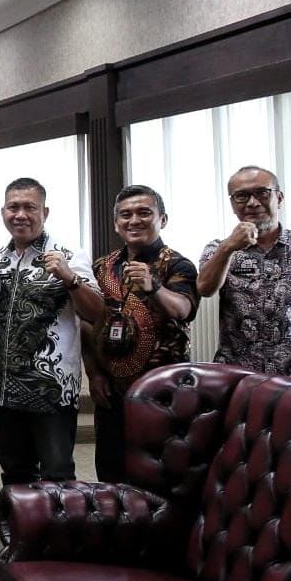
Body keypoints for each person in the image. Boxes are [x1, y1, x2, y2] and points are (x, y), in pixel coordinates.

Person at [0, 178, 102, 484]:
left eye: (30, 207)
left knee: (57, 475)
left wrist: (69, 279)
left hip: (52, 388)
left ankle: (58, 519)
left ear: (45, 212)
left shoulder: (68, 255)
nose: (20, 214)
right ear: (3, 212)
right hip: (5, 388)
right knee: (15, 474)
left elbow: (96, 313)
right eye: (13, 207)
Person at [83, 186, 199, 483]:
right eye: (126, 215)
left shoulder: (178, 264)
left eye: (144, 213)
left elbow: (183, 309)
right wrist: (94, 374)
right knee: (111, 472)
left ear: (163, 219)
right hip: (112, 391)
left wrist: (154, 287)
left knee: (160, 475)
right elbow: (88, 324)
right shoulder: (102, 266)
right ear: (116, 224)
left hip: (163, 391)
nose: (134, 220)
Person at [196, 165, 291, 386]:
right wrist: (228, 247)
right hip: (238, 378)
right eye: (242, 196)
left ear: (279, 198)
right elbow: (205, 288)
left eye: (262, 193)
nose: (252, 202)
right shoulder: (218, 249)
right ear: (232, 204)